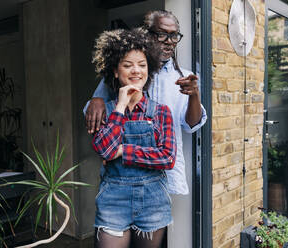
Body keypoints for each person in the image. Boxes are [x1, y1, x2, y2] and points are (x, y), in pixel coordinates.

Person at [85, 10, 207, 196]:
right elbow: (96, 118)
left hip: (163, 173)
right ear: (146, 35)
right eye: (162, 34)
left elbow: (191, 124)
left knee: (157, 221)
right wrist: (97, 99)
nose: (169, 41)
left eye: (174, 36)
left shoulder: (182, 77)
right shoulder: (128, 72)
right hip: (122, 174)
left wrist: (194, 95)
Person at [91, 28, 177, 248]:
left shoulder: (161, 112)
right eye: (127, 65)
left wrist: (124, 151)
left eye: (142, 64)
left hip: (153, 201)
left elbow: (167, 158)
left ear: (150, 69)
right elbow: (105, 150)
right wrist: (120, 105)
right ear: (115, 70)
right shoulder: (105, 111)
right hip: (113, 201)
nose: (136, 70)